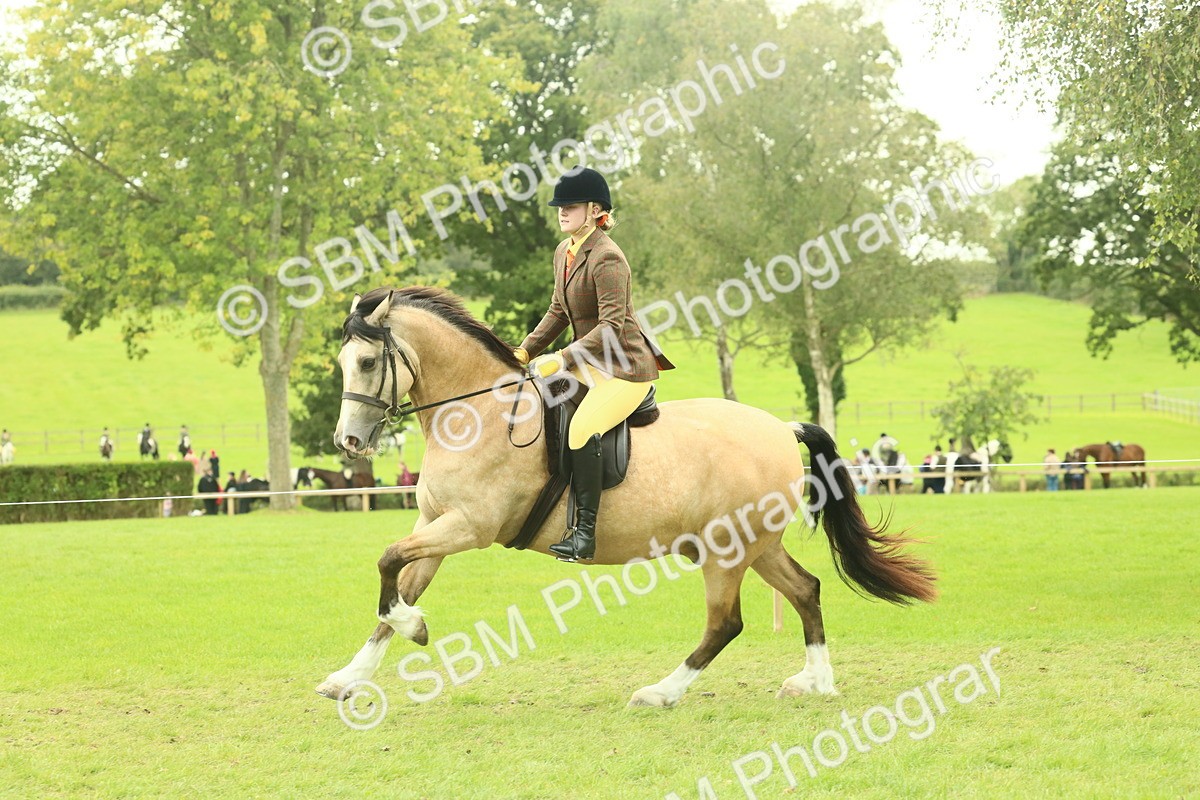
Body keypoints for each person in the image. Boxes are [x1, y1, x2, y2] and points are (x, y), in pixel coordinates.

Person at [515, 167, 675, 562]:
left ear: (595, 209)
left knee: (583, 428)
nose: (562, 212)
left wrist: (562, 359)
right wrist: (524, 351)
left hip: (623, 366)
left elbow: (610, 328)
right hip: (591, 363)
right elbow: (558, 311)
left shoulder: (608, 257)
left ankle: (584, 534)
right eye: (560, 206)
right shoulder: (565, 252)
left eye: (570, 206)